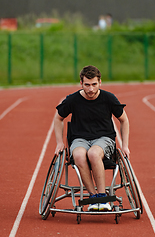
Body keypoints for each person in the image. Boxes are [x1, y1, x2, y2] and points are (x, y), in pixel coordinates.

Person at [54, 65, 130, 211]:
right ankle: (93, 197)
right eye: (87, 85)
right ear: (81, 84)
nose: (91, 89)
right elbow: (58, 118)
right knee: (78, 155)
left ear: (100, 83)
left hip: (103, 138)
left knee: (93, 154)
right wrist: (59, 143)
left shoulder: (109, 98)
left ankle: (103, 197)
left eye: (94, 84)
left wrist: (125, 145)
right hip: (79, 139)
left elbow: (124, 120)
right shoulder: (73, 100)